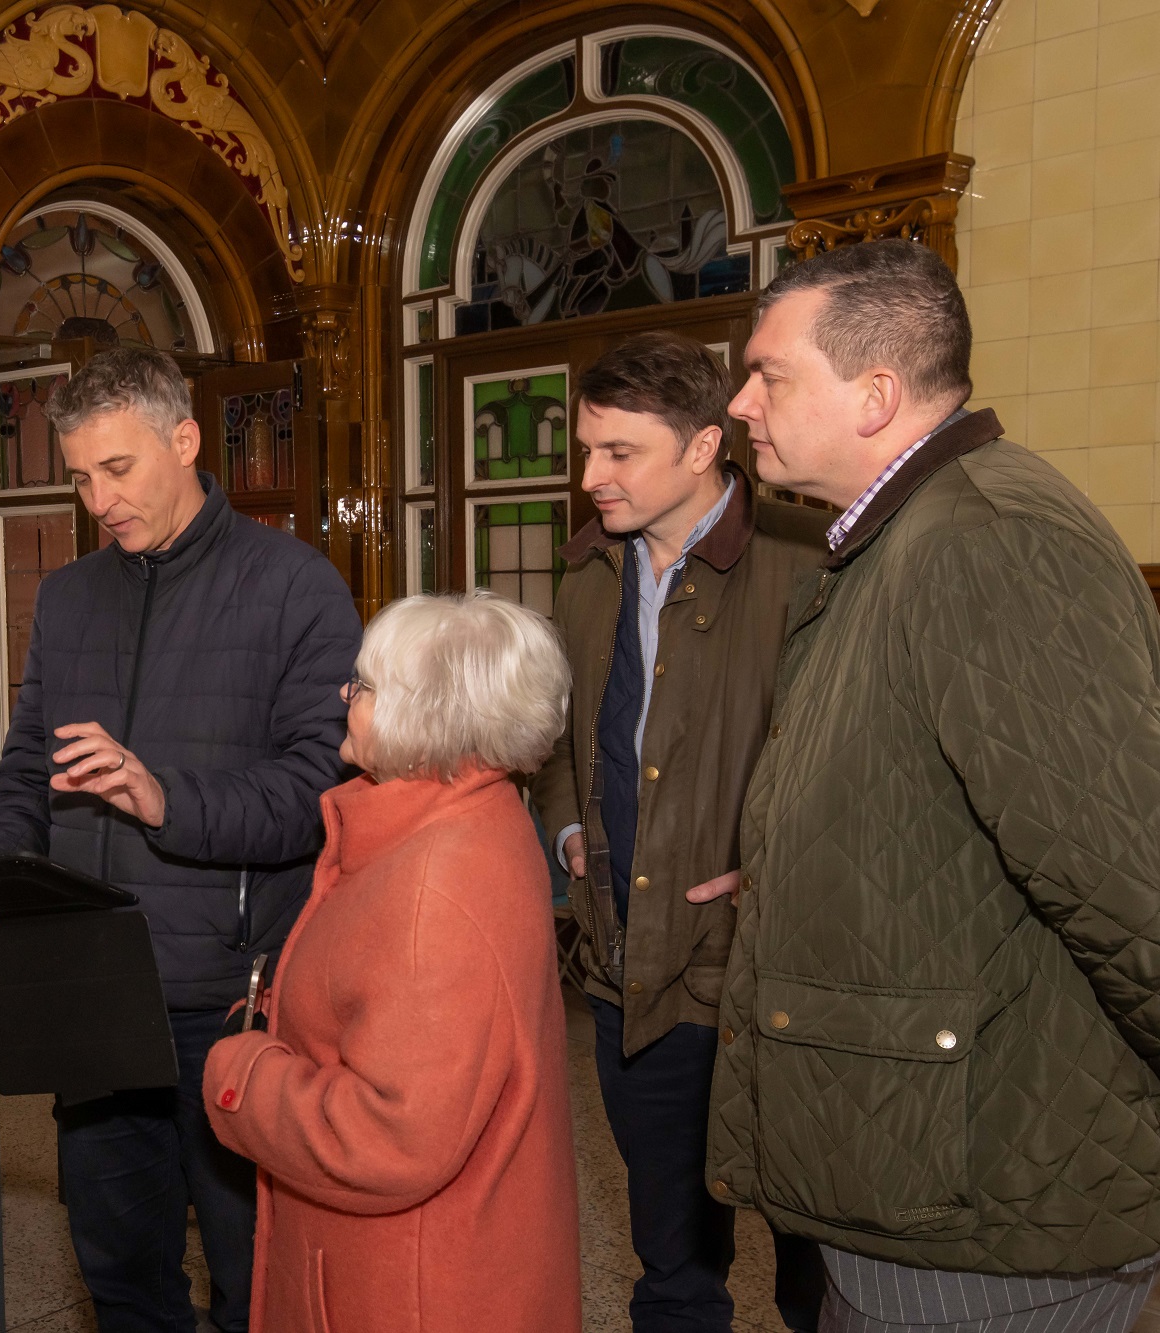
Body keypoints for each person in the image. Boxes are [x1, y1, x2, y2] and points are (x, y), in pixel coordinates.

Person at [708, 238, 1160, 1332]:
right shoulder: (911, 531)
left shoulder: (983, 542)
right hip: (926, 1156)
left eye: (767, 374)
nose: (737, 404)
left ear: (872, 394)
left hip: (992, 1190)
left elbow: (1123, 875)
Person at [0, 345, 362, 1333]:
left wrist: (167, 798)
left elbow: (316, 790)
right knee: (119, 1270)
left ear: (185, 440)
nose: (96, 499)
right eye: (78, 476)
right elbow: (28, 763)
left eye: (116, 470)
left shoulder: (295, 585)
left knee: (256, 1278)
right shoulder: (71, 596)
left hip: (237, 997)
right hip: (92, 990)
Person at [532, 331, 829, 1331]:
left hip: (773, 976)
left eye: (617, 453)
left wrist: (777, 870)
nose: (589, 476)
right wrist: (569, 827)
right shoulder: (583, 573)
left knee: (818, 1271)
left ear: (702, 448)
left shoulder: (810, 563)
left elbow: (866, 761)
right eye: (585, 449)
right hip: (627, 971)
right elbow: (563, 742)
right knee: (671, 1264)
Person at [201, 591, 582, 1333]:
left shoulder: (435, 880)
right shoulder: (473, 816)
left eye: (365, 685)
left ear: (429, 715)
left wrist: (241, 1075)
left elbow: (389, 1138)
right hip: (452, 1251)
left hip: (406, 1289)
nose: (345, 695)